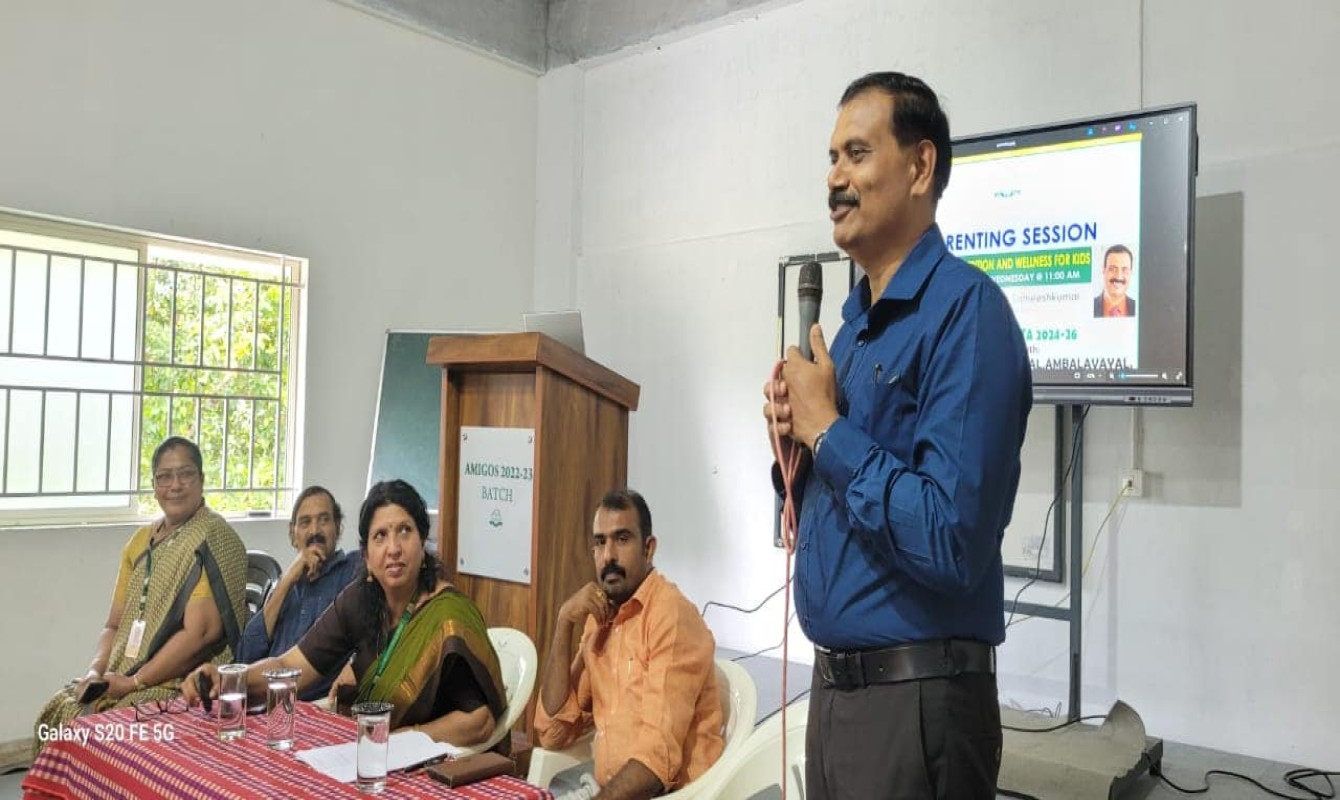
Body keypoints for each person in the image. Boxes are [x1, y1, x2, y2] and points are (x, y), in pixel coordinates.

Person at [763, 72, 1032, 799]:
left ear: (920, 166)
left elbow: (951, 539)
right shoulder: (850, 334)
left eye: (856, 154)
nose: (834, 179)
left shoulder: (968, 313)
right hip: (834, 696)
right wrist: (792, 450)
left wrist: (828, 431)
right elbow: (816, 516)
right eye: (831, 158)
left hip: (917, 706)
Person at [183, 479, 507, 749]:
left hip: (437, 765)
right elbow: (289, 666)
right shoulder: (362, 599)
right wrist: (228, 678)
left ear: (423, 545)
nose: (393, 548)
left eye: (405, 531)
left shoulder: (446, 616)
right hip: (373, 755)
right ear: (366, 556)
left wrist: (398, 740)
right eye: (380, 536)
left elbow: (478, 722)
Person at [34, 436, 247, 752]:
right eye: (165, 477)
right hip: (122, 673)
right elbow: (113, 625)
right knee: (57, 713)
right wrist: (96, 672)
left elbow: (201, 635)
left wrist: (135, 682)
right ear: (154, 485)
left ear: (202, 480)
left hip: (181, 682)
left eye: (186, 474)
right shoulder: (140, 541)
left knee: (107, 729)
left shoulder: (213, 536)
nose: (175, 485)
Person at [534, 489, 723, 800]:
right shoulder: (600, 620)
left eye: (622, 539)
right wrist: (564, 622)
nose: (608, 555)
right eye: (600, 542)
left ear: (648, 548)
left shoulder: (670, 615)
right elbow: (553, 733)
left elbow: (656, 759)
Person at [235, 485, 361, 700]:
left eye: (324, 520)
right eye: (305, 522)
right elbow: (245, 656)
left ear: (338, 528)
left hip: (315, 704)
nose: (314, 531)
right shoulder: (284, 587)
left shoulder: (353, 571)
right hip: (264, 700)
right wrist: (286, 582)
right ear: (293, 535)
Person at [1093, 244, 1136, 317]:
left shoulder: (1138, 308)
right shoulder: (1089, 306)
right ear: (1103, 270)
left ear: (1131, 273)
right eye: (1112, 269)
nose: (1119, 276)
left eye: (1124, 270)